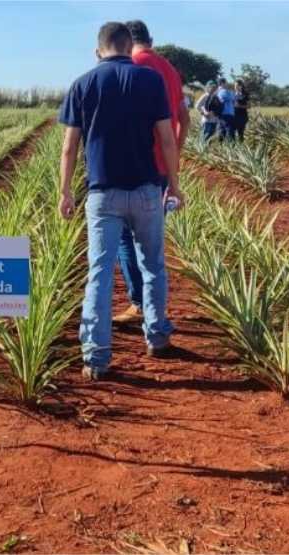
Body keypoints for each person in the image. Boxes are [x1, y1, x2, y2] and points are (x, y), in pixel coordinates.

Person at [57, 21, 182, 380]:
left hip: (102, 193)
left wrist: (64, 191)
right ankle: (157, 337)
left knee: (99, 272)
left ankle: (96, 357)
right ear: (130, 48)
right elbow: (167, 139)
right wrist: (173, 185)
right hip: (146, 189)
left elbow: (69, 147)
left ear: (99, 50)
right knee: (153, 264)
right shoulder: (150, 80)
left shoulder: (82, 84)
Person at [112, 19, 189, 324]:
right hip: (161, 167)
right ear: (151, 39)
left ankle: (139, 303)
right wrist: (173, 154)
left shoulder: (131, 64)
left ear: (126, 41)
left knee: (124, 236)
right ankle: (154, 308)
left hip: (134, 166)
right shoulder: (170, 70)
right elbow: (185, 118)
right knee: (151, 240)